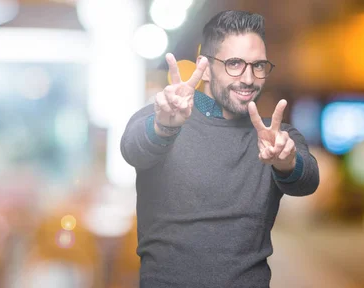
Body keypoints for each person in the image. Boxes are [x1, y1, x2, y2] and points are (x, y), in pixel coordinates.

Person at [120, 10, 319, 287]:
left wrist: (286, 161)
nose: (249, 78)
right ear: (206, 67)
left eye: (258, 65)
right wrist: (165, 127)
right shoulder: (163, 116)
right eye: (235, 63)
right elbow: (132, 149)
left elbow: (307, 180)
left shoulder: (276, 137)